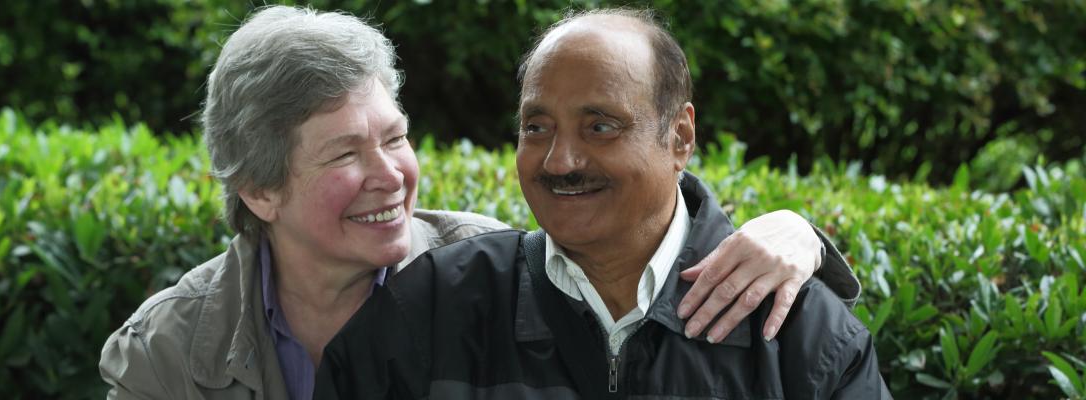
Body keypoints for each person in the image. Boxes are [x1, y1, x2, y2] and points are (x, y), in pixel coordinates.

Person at [100, 6, 863, 399]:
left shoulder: (482, 270)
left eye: (394, 138)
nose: (389, 175)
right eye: (343, 153)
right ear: (259, 189)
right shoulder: (169, 352)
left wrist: (800, 237)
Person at [316, 8, 889, 399]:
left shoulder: (797, 331)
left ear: (680, 137)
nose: (560, 161)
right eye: (536, 127)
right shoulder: (432, 307)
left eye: (600, 126)